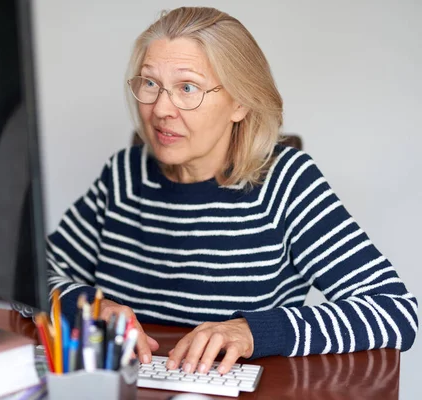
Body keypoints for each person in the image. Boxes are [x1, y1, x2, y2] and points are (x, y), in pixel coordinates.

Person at [46, 6, 418, 375]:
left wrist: (253, 331)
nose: (160, 109)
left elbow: (395, 311)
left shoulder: (286, 182)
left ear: (239, 102)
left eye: (187, 88)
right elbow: (35, 278)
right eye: (150, 83)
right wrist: (88, 306)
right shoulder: (123, 175)